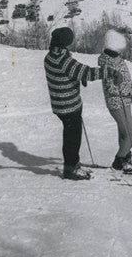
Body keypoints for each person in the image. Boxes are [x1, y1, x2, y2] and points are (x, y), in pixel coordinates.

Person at [43, 25, 115, 180]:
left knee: (69, 135)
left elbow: (68, 73)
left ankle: (71, 164)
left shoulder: (49, 57)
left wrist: (76, 75)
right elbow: (88, 72)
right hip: (69, 106)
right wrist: (109, 72)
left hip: (59, 105)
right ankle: (71, 168)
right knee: (72, 138)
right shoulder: (63, 60)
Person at [97, 29, 132, 173]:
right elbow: (113, 88)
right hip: (117, 103)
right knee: (130, 135)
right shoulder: (109, 63)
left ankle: (125, 157)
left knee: (129, 134)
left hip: (125, 102)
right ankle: (119, 161)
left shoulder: (115, 59)